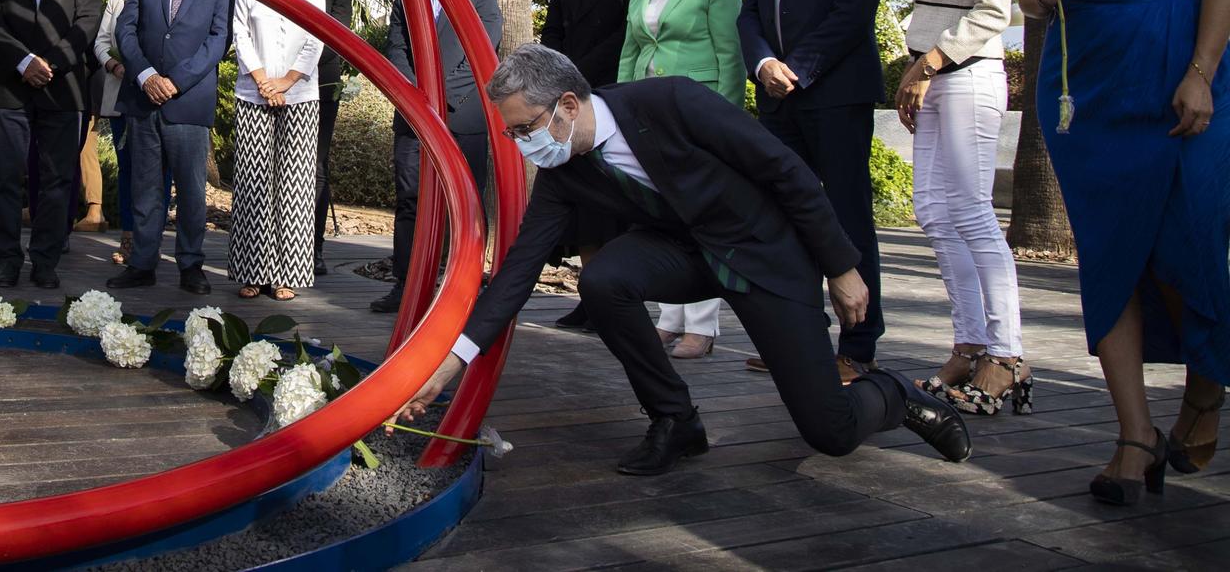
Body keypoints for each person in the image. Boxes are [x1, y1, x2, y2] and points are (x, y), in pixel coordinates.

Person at [392, 44, 971, 476]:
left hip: (763, 253)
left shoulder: (669, 100)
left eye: (524, 129)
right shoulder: (563, 172)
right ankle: (676, 420)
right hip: (685, 252)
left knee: (832, 431)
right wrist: (455, 358)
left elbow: (785, 171)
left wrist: (843, 267)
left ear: (567, 104)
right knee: (605, 279)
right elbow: (517, 272)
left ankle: (896, 393)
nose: (522, 145)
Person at [1019, 0, 1230, 504]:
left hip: (1173, 62)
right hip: (1085, 80)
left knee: (1192, 242)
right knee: (1108, 254)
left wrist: (1201, 72)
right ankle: (1134, 437)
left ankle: (1204, 392)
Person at [738, 0, 888, 381]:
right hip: (777, 99)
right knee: (781, 216)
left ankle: (859, 346)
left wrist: (796, 68)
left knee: (847, 216)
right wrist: (763, 66)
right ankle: (798, 337)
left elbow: (853, 13)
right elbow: (749, 14)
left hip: (834, 94)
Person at [895, 0, 1028, 417]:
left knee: (971, 210)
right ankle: (969, 342)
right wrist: (917, 67)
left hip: (967, 74)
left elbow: (992, 9)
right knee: (933, 209)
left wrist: (928, 64)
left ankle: (1006, 353)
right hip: (934, 73)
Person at [618, 0, 745, 358]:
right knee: (661, 214)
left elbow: (731, 53)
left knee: (701, 215)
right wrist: (620, 108)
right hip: (649, 112)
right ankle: (668, 318)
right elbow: (631, 51)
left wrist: (728, 121)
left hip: (699, 112)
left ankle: (703, 326)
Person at [371, 0, 503, 316]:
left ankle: (460, 286)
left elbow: (482, 50)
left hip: (461, 118)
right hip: (414, 117)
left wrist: (439, 99)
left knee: (465, 203)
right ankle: (406, 284)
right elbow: (396, 48)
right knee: (410, 199)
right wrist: (415, 97)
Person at [541, 0, 654, 333]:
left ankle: (618, 298)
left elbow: (630, 30)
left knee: (613, 197)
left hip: (609, 91)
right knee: (583, 199)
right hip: (567, 94)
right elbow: (553, 29)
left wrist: (580, 72)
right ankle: (590, 299)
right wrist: (557, 74)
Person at [111, 0, 234, 295]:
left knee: (192, 191)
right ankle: (142, 264)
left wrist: (175, 81)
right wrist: (146, 75)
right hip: (144, 98)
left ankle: (190, 266)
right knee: (146, 189)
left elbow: (219, 40)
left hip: (188, 100)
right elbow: (126, 32)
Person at [0, 0, 100, 291]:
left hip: (62, 86)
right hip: (10, 84)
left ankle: (45, 261)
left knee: (57, 179)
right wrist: (24, 61)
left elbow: (88, 19)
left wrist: (52, 62)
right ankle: (7, 261)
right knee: (6, 177)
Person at [230, 0, 328, 302]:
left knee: (294, 186)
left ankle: (287, 272)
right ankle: (253, 271)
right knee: (254, 185)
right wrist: (262, 80)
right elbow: (240, 32)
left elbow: (317, 37)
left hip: (301, 95)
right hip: (253, 93)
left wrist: (287, 81)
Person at [95, 0, 161, 265]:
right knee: (128, 170)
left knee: (159, 174)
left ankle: (153, 241)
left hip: (158, 98)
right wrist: (115, 65)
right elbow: (101, 43)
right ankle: (129, 238)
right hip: (123, 94)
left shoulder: (169, 2)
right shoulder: (117, 1)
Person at [307, 0, 354, 278]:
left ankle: (314, 246)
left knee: (316, 167)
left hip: (320, 84)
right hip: (279, 86)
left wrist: (299, 63)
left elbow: (336, 35)